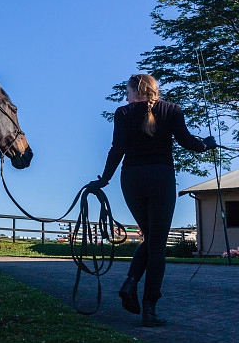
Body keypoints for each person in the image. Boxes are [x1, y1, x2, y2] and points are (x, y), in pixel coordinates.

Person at [88, 74, 215, 327]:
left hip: (131, 179)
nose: (126, 97)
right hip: (161, 177)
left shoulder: (122, 113)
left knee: (151, 238)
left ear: (137, 91)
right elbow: (186, 141)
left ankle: (131, 282)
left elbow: (117, 148)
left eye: (127, 91)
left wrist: (104, 180)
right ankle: (149, 308)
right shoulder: (172, 110)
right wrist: (206, 145)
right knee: (157, 244)